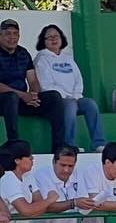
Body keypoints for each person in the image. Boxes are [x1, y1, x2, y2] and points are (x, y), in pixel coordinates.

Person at [33, 25, 104, 151]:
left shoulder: (68, 58)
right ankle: (69, 144)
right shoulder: (41, 60)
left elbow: (78, 79)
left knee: (90, 104)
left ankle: (98, 143)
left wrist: (76, 96)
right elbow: (46, 85)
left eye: (56, 36)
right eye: (49, 37)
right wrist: (68, 98)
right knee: (70, 105)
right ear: (43, 41)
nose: (54, 39)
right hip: (57, 100)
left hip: (74, 98)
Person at [0, 20, 66, 153]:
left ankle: (59, 148)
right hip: (3, 100)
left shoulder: (23, 53)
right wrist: (22, 95)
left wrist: (33, 95)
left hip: (21, 100)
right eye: (7, 34)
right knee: (11, 97)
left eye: (15, 34)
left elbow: (33, 80)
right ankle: (13, 145)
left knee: (54, 97)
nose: (12, 37)